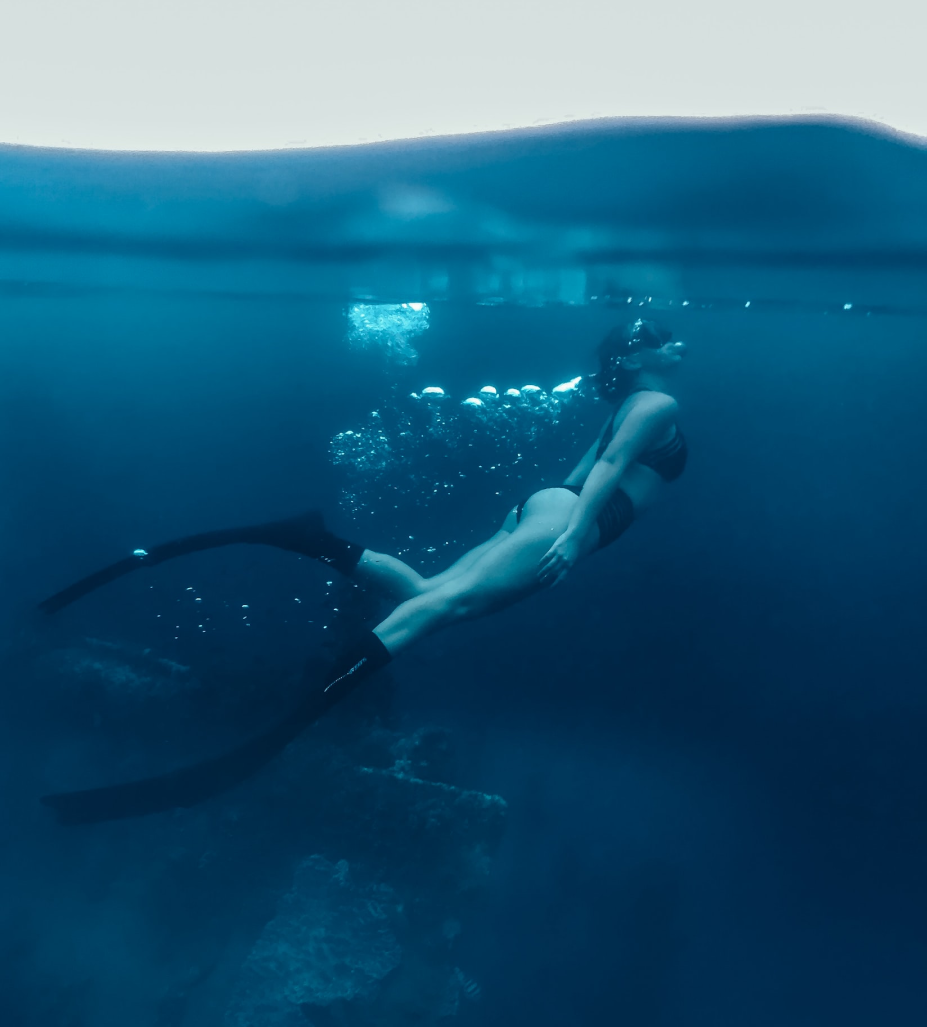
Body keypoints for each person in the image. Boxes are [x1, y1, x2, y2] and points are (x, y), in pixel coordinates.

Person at [41, 319, 686, 824]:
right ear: (632, 359)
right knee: (442, 610)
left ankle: (308, 540)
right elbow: (604, 474)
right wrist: (575, 538)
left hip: (547, 510)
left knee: (429, 593)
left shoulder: (629, 403)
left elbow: (579, 475)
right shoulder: (656, 402)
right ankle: (312, 704)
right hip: (571, 519)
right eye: (661, 339)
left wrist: (554, 521)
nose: (675, 343)